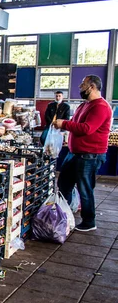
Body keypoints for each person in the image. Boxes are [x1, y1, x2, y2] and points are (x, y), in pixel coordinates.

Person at [53, 75, 112, 232]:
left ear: (91, 87)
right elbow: (76, 124)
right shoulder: (84, 105)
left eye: (82, 84)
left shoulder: (100, 107)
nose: (80, 87)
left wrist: (64, 123)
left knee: (84, 188)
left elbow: (87, 129)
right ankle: (66, 212)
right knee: (64, 183)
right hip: (76, 153)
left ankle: (89, 221)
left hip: (90, 154)